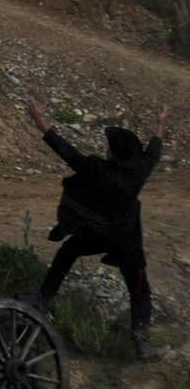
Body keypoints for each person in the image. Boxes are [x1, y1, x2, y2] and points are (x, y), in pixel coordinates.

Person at [25, 100, 171, 361]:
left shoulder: (97, 169)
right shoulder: (140, 170)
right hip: (126, 239)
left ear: (112, 153)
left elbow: (67, 152)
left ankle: (44, 296)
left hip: (98, 233)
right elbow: (155, 150)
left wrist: (40, 122)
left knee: (68, 251)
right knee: (139, 290)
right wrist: (160, 123)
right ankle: (142, 343)